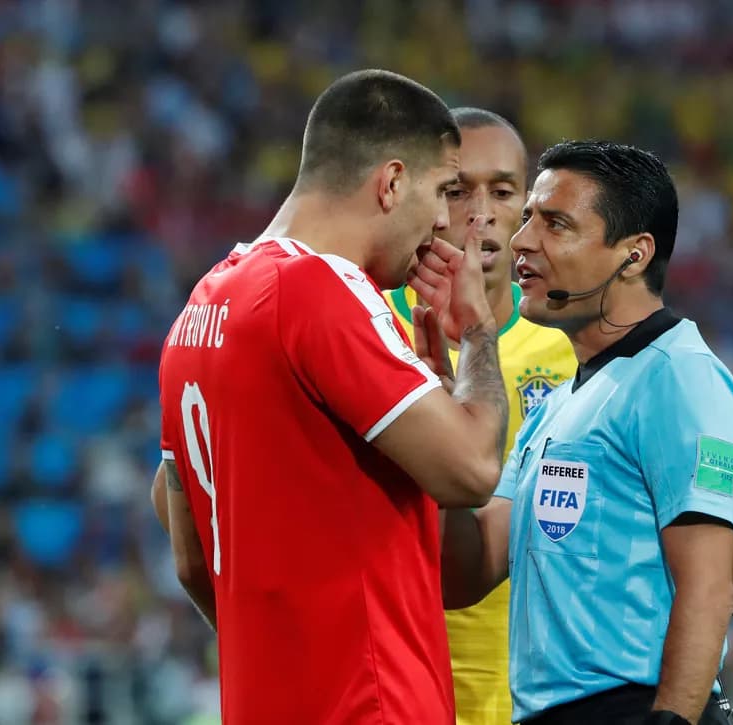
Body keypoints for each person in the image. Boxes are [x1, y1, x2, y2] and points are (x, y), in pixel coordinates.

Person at [152, 69, 509, 724]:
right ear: (392, 181)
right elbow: (473, 468)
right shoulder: (320, 289)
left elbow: (189, 556)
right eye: (441, 191)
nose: (441, 223)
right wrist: (480, 333)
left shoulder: (198, 312)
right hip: (371, 705)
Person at [411, 140, 733, 725]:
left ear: (633, 255)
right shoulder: (557, 405)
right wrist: (442, 422)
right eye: (528, 217)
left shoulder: (679, 376)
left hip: (637, 708)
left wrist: (671, 715)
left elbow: (708, 588)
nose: (523, 240)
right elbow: (467, 573)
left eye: (555, 224)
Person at [387, 107, 577, 725]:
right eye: (458, 189)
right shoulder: (361, 322)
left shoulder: (577, 343)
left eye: (502, 190)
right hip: (393, 692)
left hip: (538, 698)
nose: (481, 211)